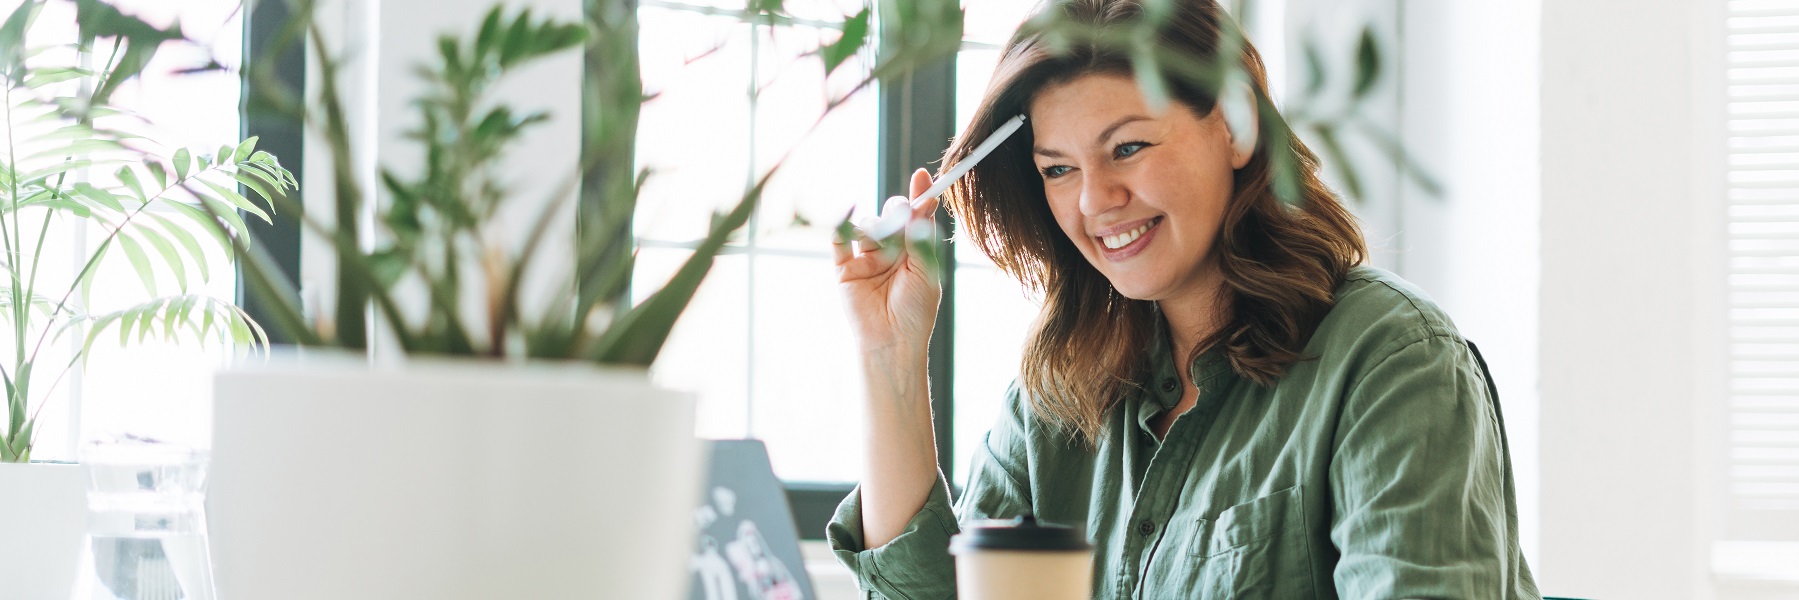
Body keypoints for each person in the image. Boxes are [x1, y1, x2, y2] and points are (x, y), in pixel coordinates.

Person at [826, 0, 1539, 597]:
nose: (1095, 200)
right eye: (1058, 168)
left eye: (1128, 148)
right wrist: (888, 352)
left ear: (1234, 127)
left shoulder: (1390, 358)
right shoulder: (1053, 402)